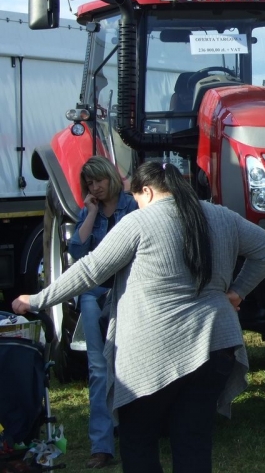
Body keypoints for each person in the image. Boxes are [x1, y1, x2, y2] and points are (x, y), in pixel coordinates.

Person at [13, 161, 265, 473]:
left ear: (148, 191)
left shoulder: (139, 222)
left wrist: (35, 299)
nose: (136, 204)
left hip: (152, 353)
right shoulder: (221, 216)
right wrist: (237, 292)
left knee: (138, 439)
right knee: (193, 440)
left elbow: (89, 270)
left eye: (137, 198)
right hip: (215, 344)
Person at [71, 156, 138, 469]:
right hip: (95, 294)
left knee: (129, 364)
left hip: (126, 293)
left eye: (98, 181)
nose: (95, 187)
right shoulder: (91, 210)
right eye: (90, 183)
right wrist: (92, 213)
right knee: (98, 369)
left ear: (111, 178)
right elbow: (76, 250)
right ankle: (101, 446)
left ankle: (135, 436)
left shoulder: (133, 206)